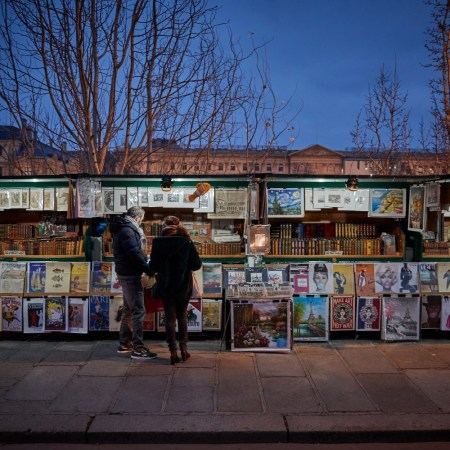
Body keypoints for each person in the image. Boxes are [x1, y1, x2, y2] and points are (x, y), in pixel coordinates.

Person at [149, 216, 202, 365]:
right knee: (182, 316)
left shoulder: (158, 242)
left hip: (166, 286)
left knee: (170, 318)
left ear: (164, 227)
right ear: (179, 226)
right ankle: (184, 349)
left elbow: (153, 267)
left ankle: (173, 351)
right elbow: (196, 265)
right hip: (183, 286)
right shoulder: (186, 242)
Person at [110, 206, 157, 360]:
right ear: (138, 217)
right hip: (130, 274)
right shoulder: (127, 231)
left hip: (126, 272)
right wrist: (148, 269)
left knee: (128, 309)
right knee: (138, 310)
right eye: (142, 219)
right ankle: (137, 348)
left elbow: (135, 252)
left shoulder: (124, 228)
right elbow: (134, 253)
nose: (141, 222)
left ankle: (124, 344)